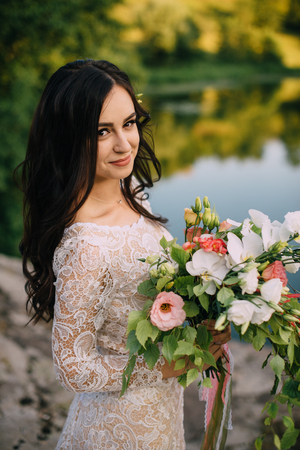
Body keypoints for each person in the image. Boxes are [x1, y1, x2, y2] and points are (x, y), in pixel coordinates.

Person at [17, 59, 231, 449]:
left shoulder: (127, 186)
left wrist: (206, 315)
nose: (124, 144)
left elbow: (144, 295)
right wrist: (164, 368)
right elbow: (72, 368)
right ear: (70, 137)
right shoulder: (86, 244)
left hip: (162, 415)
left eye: (128, 123)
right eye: (102, 131)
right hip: (117, 427)